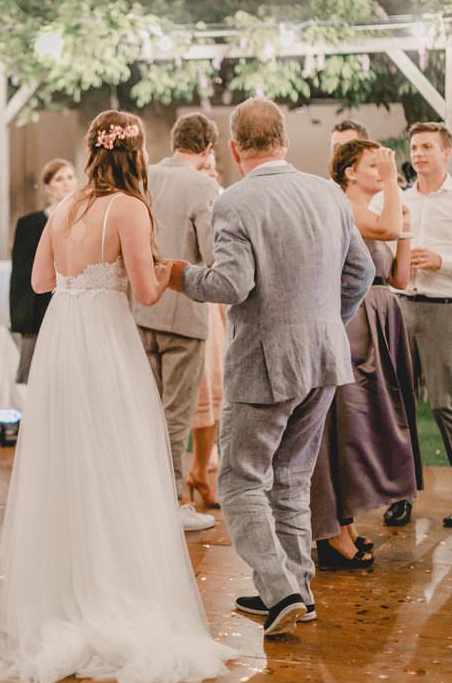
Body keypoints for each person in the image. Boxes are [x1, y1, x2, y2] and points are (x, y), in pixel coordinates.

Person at [0, 110, 237, 683]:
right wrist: (149, 271)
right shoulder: (129, 208)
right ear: (136, 154)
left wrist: (83, 277)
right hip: (104, 337)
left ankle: (66, 593)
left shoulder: (64, 206)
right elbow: (149, 291)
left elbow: (39, 283)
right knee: (119, 457)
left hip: (61, 338)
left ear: (92, 150)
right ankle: (115, 587)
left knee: (67, 457)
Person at [169, 98, 374, 637]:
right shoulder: (328, 193)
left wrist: (177, 275)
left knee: (238, 481)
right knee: (292, 478)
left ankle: (277, 588)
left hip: (266, 362)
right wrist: (328, 319)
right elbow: (363, 270)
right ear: (284, 140)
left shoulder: (235, 201)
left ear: (235, 149)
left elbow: (230, 285)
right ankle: (298, 591)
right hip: (324, 357)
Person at [309, 140, 422, 568]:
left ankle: (347, 524)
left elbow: (400, 277)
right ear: (350, 172)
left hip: (380, 319)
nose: (383, 171)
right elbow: (386, 231)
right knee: (348, 423)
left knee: (369, 421)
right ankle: (333, 532)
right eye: (374, 165)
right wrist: (395, 186)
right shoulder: (344, 206)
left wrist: (407, 228)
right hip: (352, 324)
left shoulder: (376, 215)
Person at [132, 113, 219, 531]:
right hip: (183, 313)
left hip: (137, 308)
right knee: (175, 414)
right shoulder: (204, 186)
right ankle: (169, 502)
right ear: (207, 149)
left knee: (144, 408)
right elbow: (212, 255)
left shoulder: (142, 176)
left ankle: (142, 496)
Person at [387, 123, 452, 529]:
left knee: (444, 404)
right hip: (401, 308)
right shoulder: (399, 200)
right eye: (415, 147)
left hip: (445, 308)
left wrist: (443, 261)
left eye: (427, 147)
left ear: (446, 153)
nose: (418, 154)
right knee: (399, 405)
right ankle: (400, 496)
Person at [10, 159, 77, 383]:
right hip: (39, 306)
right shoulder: (29, 224)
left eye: (70, 177)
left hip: (76, 302)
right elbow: (21, 274)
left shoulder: (84, 218)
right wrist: (22, 318)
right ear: (48, 187)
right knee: (38, 375)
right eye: (59, 179)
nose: (67, 183)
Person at [187, 150, 225, 509]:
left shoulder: (224, 198)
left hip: (219, 302)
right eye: (205, 166)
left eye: (214, 167)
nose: (210, 171)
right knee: (196, 388)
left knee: (215, 388)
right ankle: (190, 471)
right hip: (191, 294)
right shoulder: (186, 193)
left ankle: (200, 468)